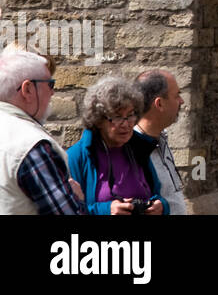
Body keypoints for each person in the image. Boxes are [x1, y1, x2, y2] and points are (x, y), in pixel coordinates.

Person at [0, 45, 85, 214]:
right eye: (50, 84)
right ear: (28, 89)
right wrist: (77, 199)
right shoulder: (30, 143)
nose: (53, 93)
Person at [67, 76, 168, 215]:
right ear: (98, 120)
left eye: (131, 115)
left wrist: (161, 206)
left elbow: (157, 195)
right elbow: (68, 210)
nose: (126, 124)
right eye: (117, 117)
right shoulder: (77, 156)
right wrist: (106, 210)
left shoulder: (139, 149)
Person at [135, 69, 188, 214]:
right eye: (177, 96)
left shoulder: (160, 137)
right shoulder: (132, 150)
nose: (181, 101)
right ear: (159, 104)